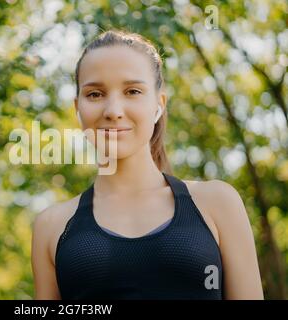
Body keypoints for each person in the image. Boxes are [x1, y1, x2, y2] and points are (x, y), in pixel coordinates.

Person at [31, 29, 263, 299]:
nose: (113, 111)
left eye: (132, 91)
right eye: (95, 94)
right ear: (77, 107)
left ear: (159, 104)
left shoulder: (217, 202)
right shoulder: (52, 225)